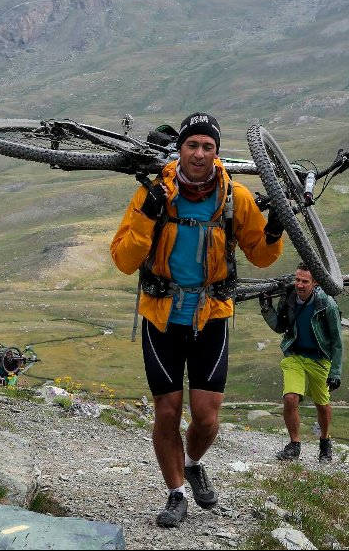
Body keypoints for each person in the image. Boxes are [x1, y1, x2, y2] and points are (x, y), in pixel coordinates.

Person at [111, 112, 285, 528]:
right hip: (161, 316)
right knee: (167, 413)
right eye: (193, 145)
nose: (200, 153)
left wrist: (275, 232)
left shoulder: (233, 196)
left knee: (206, 418)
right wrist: (147, 216)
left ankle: (192, 463)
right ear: (181, 149)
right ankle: (175, 492)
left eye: (208, 146)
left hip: (212, 315)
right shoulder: (156, 193)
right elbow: (123, 259)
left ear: (216, 153)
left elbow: (260, 254)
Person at [259, 263, 344, 463]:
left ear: (314, 283)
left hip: (319, 358)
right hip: (294, 356)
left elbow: (337, 340)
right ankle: (294, 445)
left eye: (305, 281)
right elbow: (280, 326)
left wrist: (336, 372)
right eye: (297, 280)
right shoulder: (288, 298)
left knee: (322, 405)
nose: (299, 285)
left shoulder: (327, 304)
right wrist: (266, 309)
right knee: (290, 398)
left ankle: (324, 442)